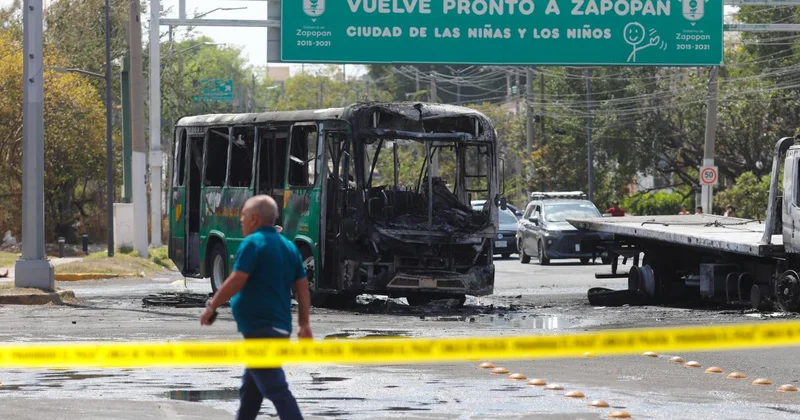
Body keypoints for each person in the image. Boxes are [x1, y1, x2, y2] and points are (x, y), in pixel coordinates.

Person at [201, 195, 311, 420]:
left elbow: (235, 280)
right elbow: (302, 288)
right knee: (250, 392)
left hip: (261, 329)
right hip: (278, 328)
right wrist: (304, 325)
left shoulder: (253, 243)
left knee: (276, 389)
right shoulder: (289, 247)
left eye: (242, 216)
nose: (241, 221)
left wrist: (212, 306)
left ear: (253, 218)